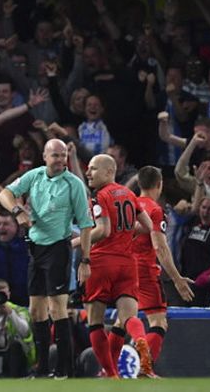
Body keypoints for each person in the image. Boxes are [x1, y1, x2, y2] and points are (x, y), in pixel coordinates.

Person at [0, 139, 93, 378]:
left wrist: (85, 259)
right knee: (36, 311)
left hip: (59, 249)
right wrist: (18, 211)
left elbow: (86, 225)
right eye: (55, 156)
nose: (60, 160)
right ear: (45, 157)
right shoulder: (35, 176)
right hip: (36, 249)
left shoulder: (74, 184)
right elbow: (4, 194)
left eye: (63, 155)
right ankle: (43, 369)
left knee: (57, 308)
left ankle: (65, 370)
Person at [108, 166, 194, 375]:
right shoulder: (155, 210)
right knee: (158, 322)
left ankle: (109, 369)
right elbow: (160, 248)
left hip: (121, 269)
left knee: (122, 320)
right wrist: (176, 278)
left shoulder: (127, 206)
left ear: (139, 184)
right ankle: (144, 368)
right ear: (159, 184)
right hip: (144, 271)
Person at [78, 154, 155, 378]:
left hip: (102, 262)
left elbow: (103, 230)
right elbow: (148, 226)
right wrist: (126, 235)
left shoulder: (100, 196)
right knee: (129, 318)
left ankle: (111, 374)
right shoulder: (130, 194)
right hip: (127, 262)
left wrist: (76, 242)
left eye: (93, 169)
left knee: (95, 322)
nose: (88, 173)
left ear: (109, 172)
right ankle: (142, 347)